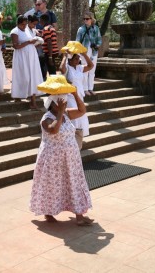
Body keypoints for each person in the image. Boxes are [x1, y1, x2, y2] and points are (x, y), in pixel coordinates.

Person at [30, 89, 93, 225]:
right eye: (61, 102)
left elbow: (82, 110)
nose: (64, 104)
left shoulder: (66, 114)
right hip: (53, 159)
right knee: (52, 185)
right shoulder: (46, 119)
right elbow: (54, 129)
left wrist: (75, 94)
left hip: (70, 158)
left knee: (74, 183)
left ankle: (79, 216)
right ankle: (48, 213)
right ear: (53, 104)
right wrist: (59, 114)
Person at [59, 51, 93, 149]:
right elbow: (61, 68)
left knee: (81, 118)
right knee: (74, 118)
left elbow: (91, 65)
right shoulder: (67, 68)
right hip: (70, 96)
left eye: (79, 58)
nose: (78, 61)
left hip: (79, 95)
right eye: (76, 59)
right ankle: (71, 141)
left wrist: (84, 54)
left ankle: (78, 141)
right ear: (70, 59)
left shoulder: (79, 68)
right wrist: (65, 56)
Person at [10, 15, 43, 109]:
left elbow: (30, 43)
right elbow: (16, 46)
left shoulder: (28, 31)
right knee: (22, 75)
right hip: (21, 57)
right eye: (22, 25)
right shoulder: (14, 31)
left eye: (25, 24)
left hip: (31, 56)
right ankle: (18, 95)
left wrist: (36, 42)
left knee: (32, 76)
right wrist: (29, 42)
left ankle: (33, 101)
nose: (24, 26)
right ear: (18, 23)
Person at [76, 12, 102, 96]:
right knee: (85, 70)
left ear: (91, 19)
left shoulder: (96, 28)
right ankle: (85, 89)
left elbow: (99, 39)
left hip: (94, 51)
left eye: (87, 19)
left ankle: (91, 88)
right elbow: (77, 41)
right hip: (84, 51)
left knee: (92, 70)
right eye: (84, 19)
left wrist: (97, 45)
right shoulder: (81, 29)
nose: (85, 20)